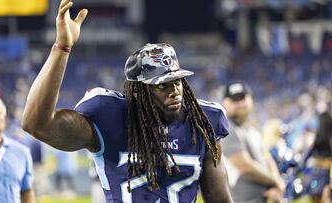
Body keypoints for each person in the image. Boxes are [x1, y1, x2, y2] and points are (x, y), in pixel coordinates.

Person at [21, 0, 233, 202]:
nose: (175, 91)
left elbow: (220, 200)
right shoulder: (108, 116)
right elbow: (36, 124)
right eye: (161, 85)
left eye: (177, 81)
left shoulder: (204, 122)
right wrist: (62, 48)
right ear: (139, 92)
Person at [221, 81, 285, 203]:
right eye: (234, 100)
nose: (240, 104)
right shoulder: (225, 128)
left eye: (242, 98)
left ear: (250, 100)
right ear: (225, 103)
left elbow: (268, 159)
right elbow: (244, 166)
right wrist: (276, 181)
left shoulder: (252, 130)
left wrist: (276, 186)